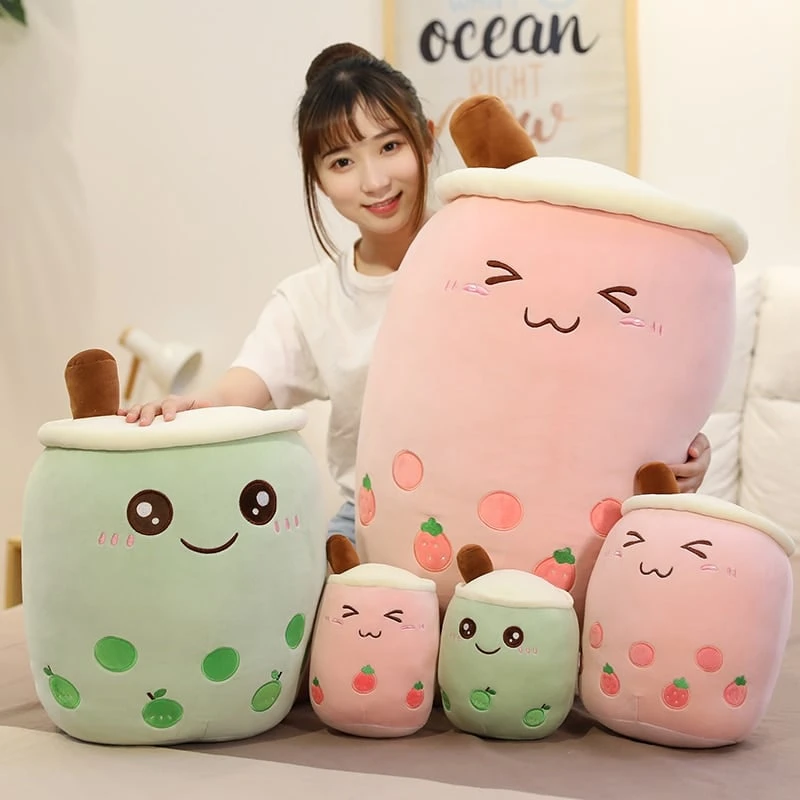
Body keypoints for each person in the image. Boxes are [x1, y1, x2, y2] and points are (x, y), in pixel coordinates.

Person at [120, 42, 712, 544]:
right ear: (317, 177)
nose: (374, 181)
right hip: (376, 522)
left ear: (427, 140)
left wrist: (679, 451)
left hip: (521, 517)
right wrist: (187, 409)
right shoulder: (309, 301)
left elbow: (597, 369)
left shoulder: (505, 264)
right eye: (342, 161)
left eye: (390, 146)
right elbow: (239, 391)